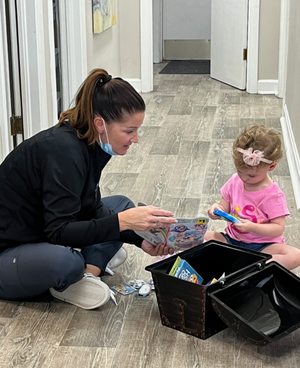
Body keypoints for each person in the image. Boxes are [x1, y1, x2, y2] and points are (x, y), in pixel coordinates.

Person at [0, 68, 177, 309]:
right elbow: (58, 231)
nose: (135, 139)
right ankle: (76, 273)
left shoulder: (93, 144)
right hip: (9, 249)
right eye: (129, 131)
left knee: (122, 205)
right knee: (66, 262)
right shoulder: (63, 151)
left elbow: (89, 207)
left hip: (39, 231)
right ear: (100, 123)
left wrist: (140, 239)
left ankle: (87, 275)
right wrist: (124, 223)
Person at [204, 124, 300, 270]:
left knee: (295, 256)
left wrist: (252, 227)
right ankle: (248, 266)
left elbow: (278, 228)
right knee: (199, 237)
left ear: (272, 166)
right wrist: (216, 209)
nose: (244, 178)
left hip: (263, 246)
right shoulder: (235, 180)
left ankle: (250, 267)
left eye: (251, 175)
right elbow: (224, 205)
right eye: (239, 171)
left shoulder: (273, 195)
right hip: (232, 240)